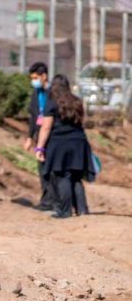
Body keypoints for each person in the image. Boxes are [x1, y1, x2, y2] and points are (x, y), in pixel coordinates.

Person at [35, 74, 94, 218]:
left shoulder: (52, 103)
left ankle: (65, 211)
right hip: (79, 143)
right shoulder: (77, 101)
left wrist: (40, 147)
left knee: (63, 176)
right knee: (75, 177)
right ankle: (82, 210)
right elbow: (81, 122)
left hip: (59, 144)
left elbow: (46, 128)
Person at [24, 62, 53, 210]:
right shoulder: (36, 93)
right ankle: (46, 201)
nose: (33, 81)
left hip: (53, 135)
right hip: (39, 135)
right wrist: (30, 137)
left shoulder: (53, 92)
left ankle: (54, 201)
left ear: (44, 76)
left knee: (52, 169)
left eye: (35, 78)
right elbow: (33, 116)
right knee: (42, 168)